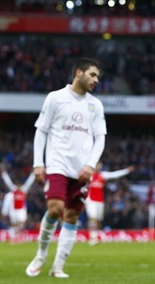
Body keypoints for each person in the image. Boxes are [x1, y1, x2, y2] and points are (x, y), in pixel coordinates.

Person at [26, 58, 107, 278]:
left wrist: (91, 165)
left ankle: (57, 267)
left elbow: (100, 138)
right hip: (57, 164)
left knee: (71, 216)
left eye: (98, 76)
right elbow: (41, 131)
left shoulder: (95, 105)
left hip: (82, 170)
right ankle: (41, 253)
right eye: (92, 75)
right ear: (78, 73)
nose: (96, 80)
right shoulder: (55, 98)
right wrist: (38, 162)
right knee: (55, 209)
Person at [86, 162, 134, 246]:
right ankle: (92, 237)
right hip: (91, 201)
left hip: (100, 201)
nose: (99, 167)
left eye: (100, 166)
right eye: (98, 166)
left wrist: (126, 170)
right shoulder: (89, 176)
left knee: (98, 220)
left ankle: (96, 236)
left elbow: (115, 174)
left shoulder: (103, 175)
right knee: (92, 218)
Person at [1, 168, 36, 243]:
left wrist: (33, 174)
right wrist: (4, 175)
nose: (19, 187)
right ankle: (14, 238)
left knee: (21, 223)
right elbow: (8, 183)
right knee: (14, 224)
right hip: (14, 210)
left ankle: (19, 237)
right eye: (18, 186)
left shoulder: (24, 190)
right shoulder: (14, 190)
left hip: (21, 210)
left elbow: (29, 183)